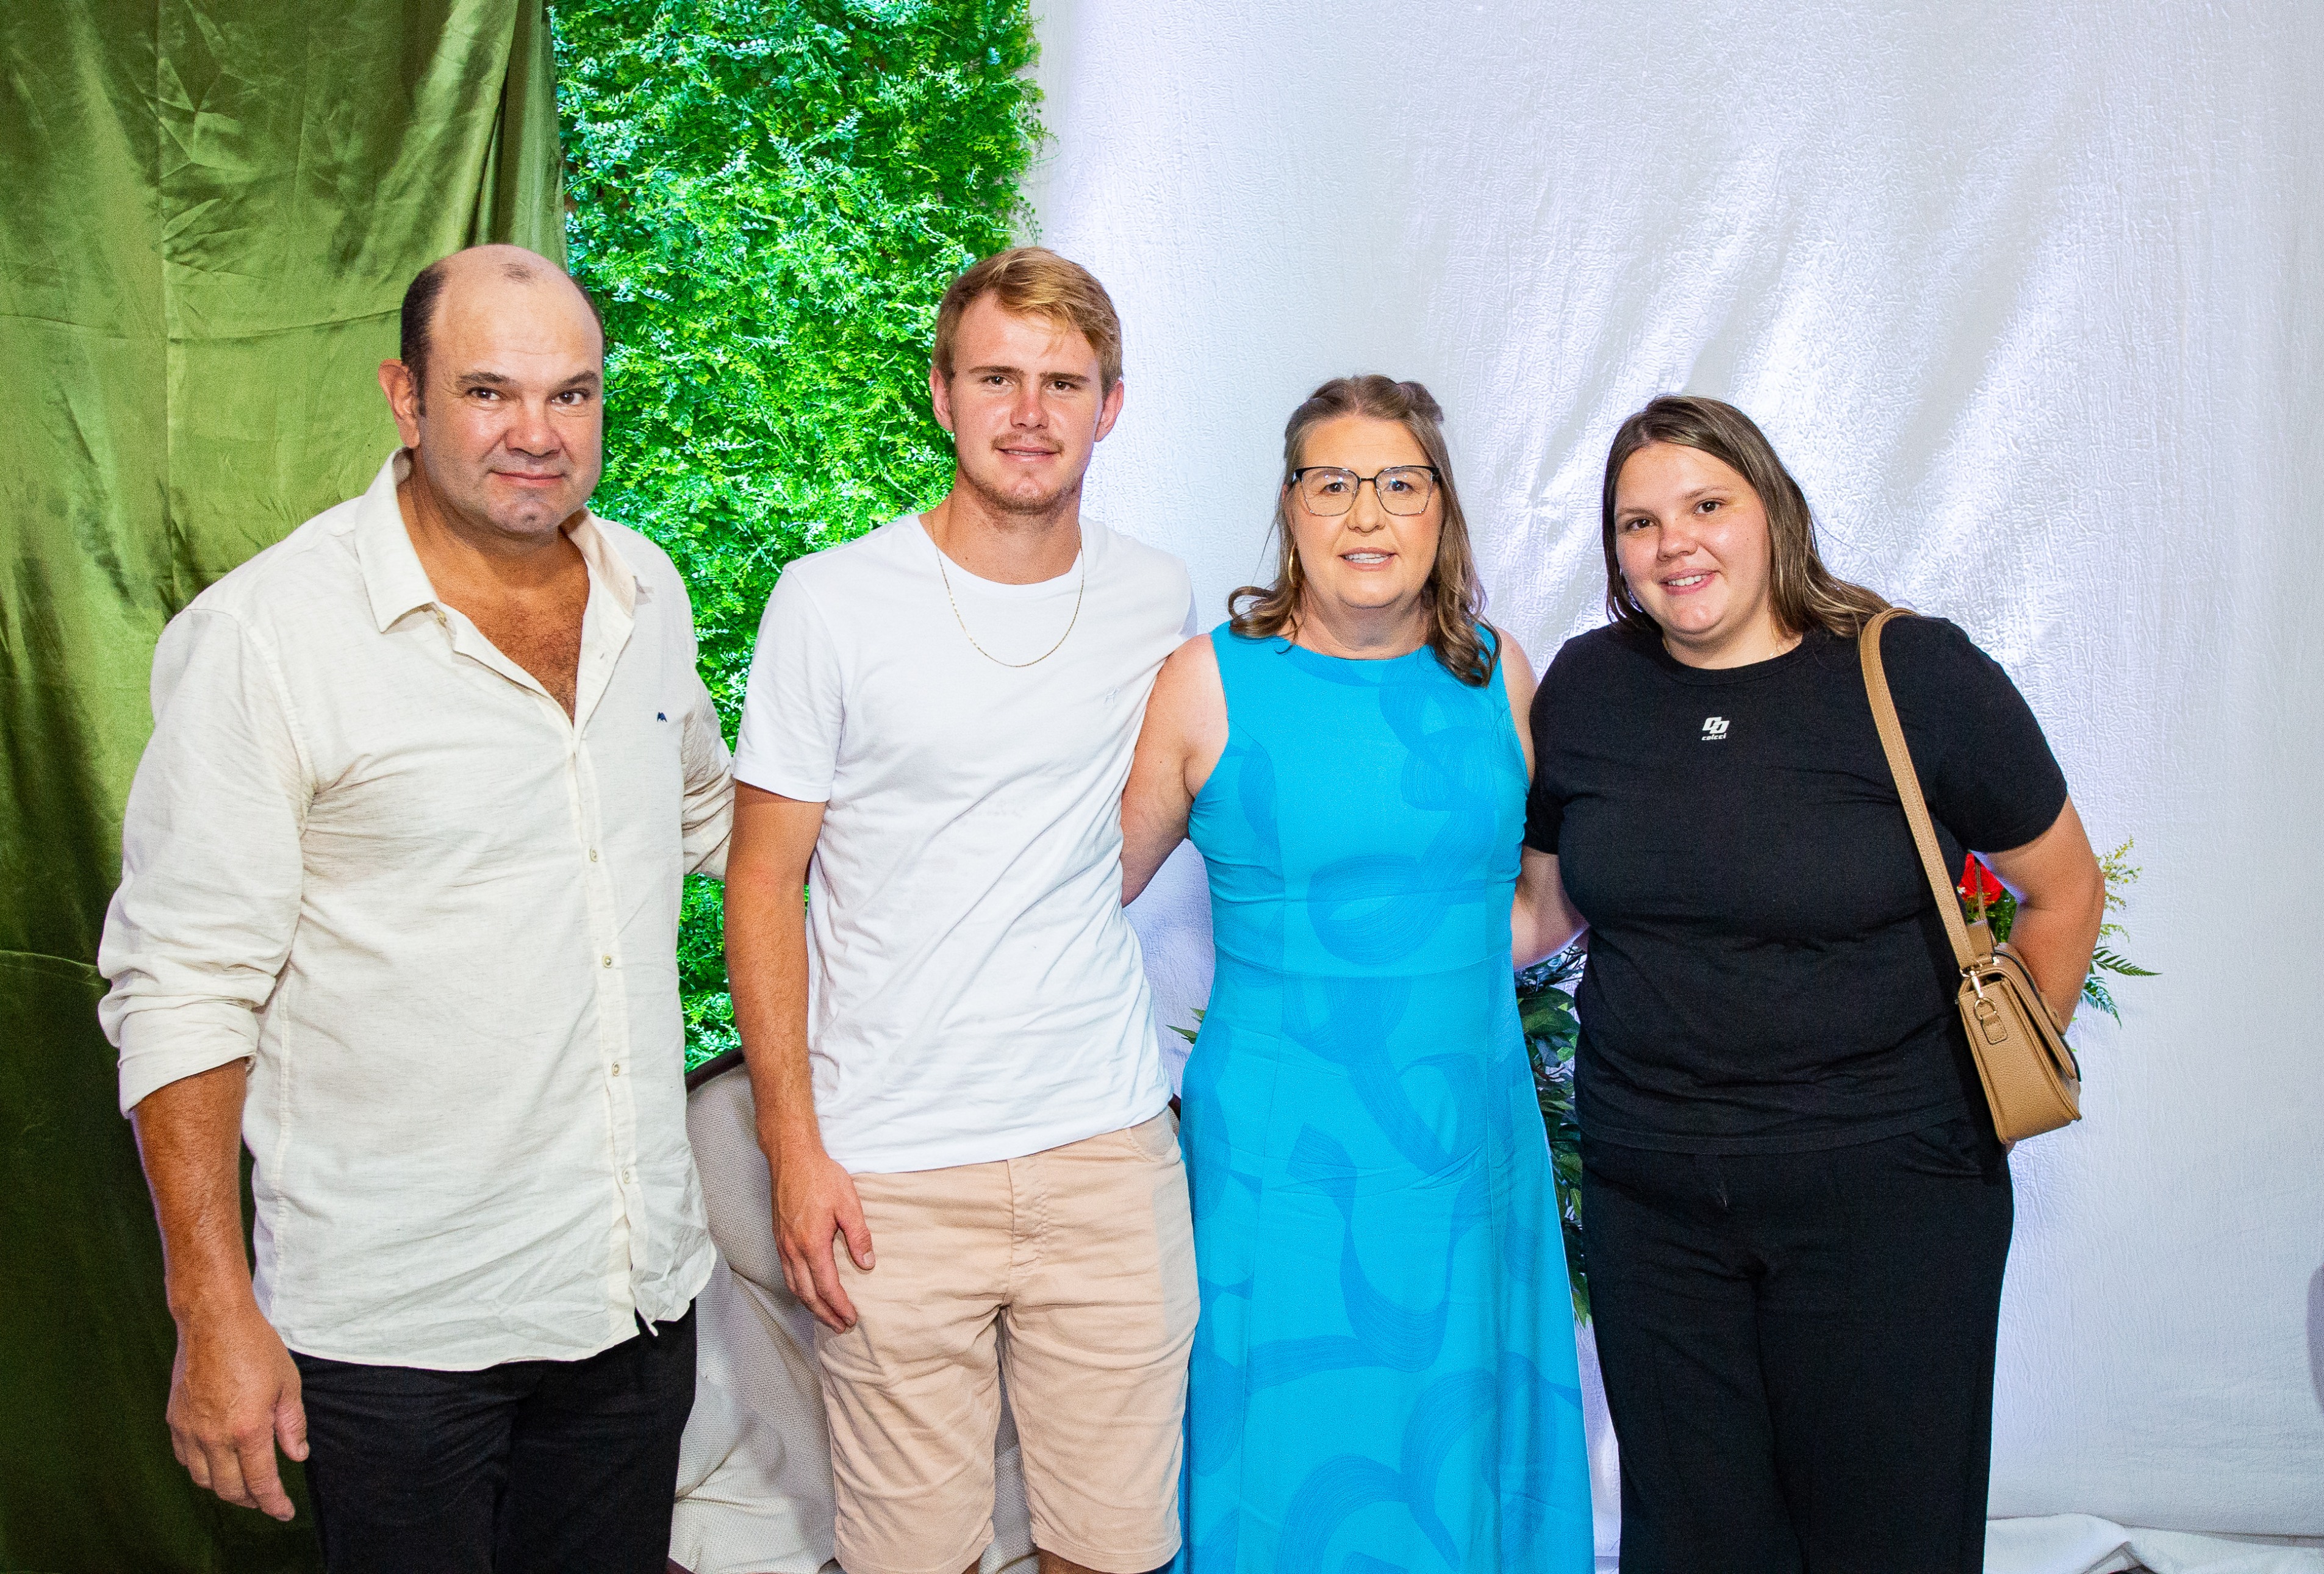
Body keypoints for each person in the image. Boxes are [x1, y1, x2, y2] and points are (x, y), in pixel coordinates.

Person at [96, 245, 733, 1572]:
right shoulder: (271, 635)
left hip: (633, 1297)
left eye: (571, 395)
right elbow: (182, 985)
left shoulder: (648, 593)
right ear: (406, 396)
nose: (536, 434)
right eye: (490, 392)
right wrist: (211, 1308)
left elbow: (710, 825)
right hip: (399, 1331)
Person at [1518, 394, 2107, 1574]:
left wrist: (1965, 1112)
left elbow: (2064, 891)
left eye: (1706, 504)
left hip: (1890, 1201)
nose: (1674, 542)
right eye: (1639, 522)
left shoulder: (1911, 674)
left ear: (1773, 509)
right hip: (1655, 1205)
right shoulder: (1588, 688)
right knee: (1693, 1539)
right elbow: (1544, 907)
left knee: (1887, 1537)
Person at [723, 247, 1195, 1574]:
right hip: (890, 1168)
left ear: (1110, 406)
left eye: (1063, 383)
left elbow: (1131, 829)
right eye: (996, 377)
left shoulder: (1156, 594)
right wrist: (793, 1147)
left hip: (1105, 1151)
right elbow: (760, 879)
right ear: (942, 394)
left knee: (1115, 1551)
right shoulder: (830, 600)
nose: (1029, 412)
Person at [1121, 374, 1594, 1570]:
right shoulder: (1206, 679)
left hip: (1468, 1143)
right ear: (1290, 506)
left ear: (1442, 507)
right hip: (1280, 1158)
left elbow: (1532, 911)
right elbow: (1084, 892)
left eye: (1398, 483)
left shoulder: (1500, 672)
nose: (1366, 515)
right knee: (1288, 1448)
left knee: (1456, 1450)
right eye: (1331, 483)